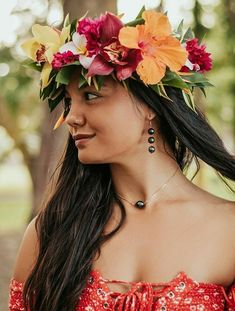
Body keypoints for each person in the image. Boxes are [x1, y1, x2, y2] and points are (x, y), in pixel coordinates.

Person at [9, 7, 235, 311]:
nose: (71, 117)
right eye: (67, 102)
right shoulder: (49, 232)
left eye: (90, 96)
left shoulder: (228, 227)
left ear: (150, 105)